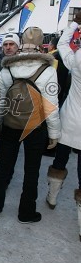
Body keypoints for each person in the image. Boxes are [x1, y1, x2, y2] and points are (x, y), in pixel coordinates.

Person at [0, 26, 61, 223]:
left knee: (4, 166)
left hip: (10, 125)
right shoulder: (47, 70)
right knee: (32, 170)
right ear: (41, 44)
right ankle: (26, 212)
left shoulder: (7, 69)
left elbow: (1, 101)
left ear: (21, 42)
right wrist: (54, 133)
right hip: (35, 127)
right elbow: (51, 107)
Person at [46, 13, 81, 241]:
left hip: (70, 120)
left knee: (60, 160)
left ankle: (52, 197)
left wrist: (75, 24)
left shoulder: (77, 59)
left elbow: (61, 44)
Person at [0, 33, 20, 163]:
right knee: (1, 134)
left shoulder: (23, 64)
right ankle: (1, 154)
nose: (8, 47)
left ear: (18, 46)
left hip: (17, 110)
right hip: (1, 105)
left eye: (11, 44)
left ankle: (4, 157)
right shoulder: (0, 61)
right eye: (5, 45)